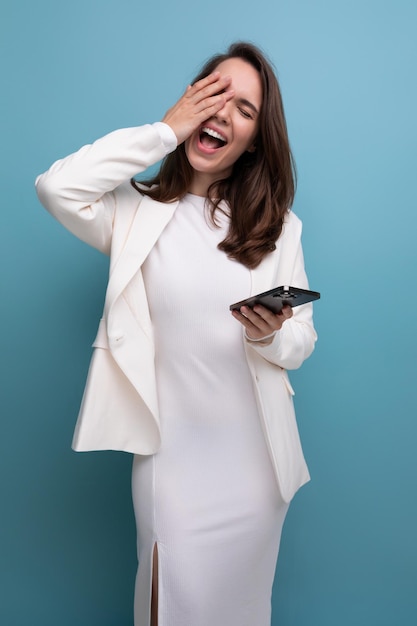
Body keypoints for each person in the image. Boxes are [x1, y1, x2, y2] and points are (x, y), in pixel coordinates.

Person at [36, 41, 317, 626]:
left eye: (245, 109)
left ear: (257, 139)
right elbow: (57, 188)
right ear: (191, 99)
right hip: (173, 464)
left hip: (257, 470)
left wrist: (269, 336)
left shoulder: (278, 227)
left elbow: (302, 344)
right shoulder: (133, 210)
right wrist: (164, 131)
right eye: (214, 93)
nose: (223, 113)